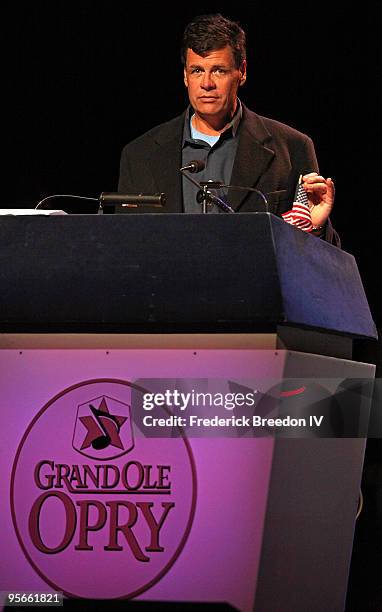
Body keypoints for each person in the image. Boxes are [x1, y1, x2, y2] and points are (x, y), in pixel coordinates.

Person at [118, 13, 338, 244]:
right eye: (197, 71)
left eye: (219, 70)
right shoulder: (139, 155)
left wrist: (316, 228)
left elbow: (316, 264)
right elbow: (123, 245)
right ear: (185, 75)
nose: (206, 83)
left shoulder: (292, 148)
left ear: (241, 71)